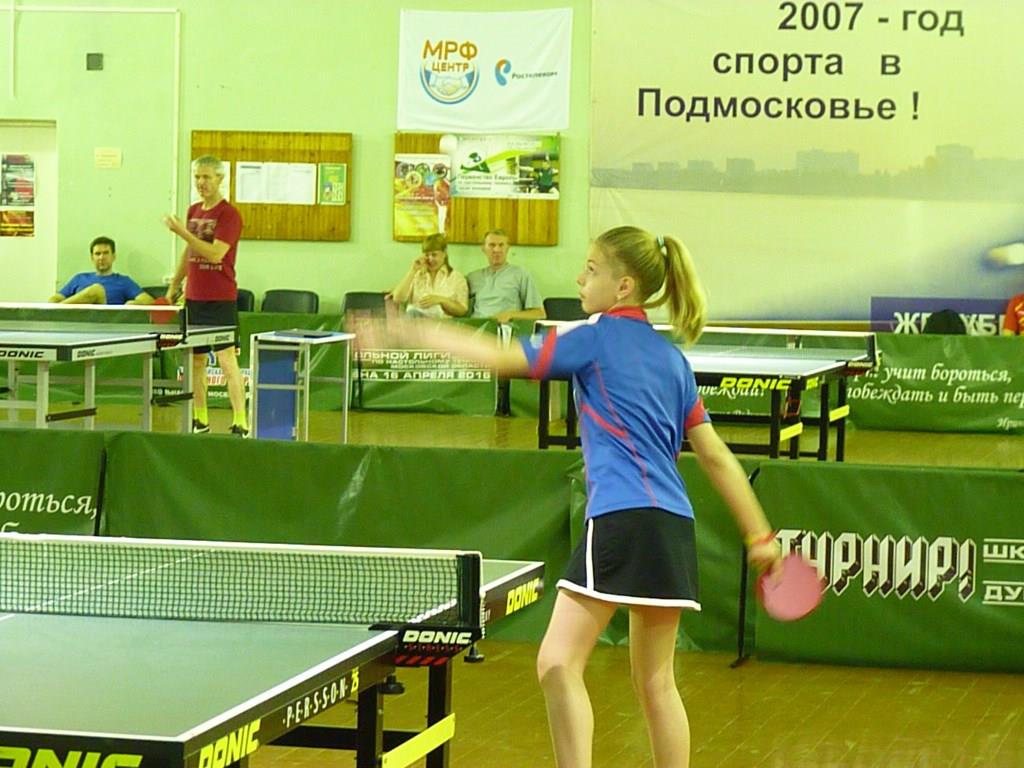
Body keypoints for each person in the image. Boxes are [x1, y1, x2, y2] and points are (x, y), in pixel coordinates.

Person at [363, 225, 781, 767]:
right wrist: (758, 533)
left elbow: (499, 358)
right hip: (673, 525)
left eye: (591, 268)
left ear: (624, 286)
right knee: (656, 683)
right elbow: (716, 455)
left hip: (620, 519)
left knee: (558, 662)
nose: (579, 278)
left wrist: (410, 332)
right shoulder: (672, 359)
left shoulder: (592, 337)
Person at [162, 155, 249, 437]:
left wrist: (182, 232)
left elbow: (215, 253)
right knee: (196, 362)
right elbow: (190, 253)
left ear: (220, 179)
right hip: (194, 299)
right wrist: (174, 285)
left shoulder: (229, 215)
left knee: (226, 361)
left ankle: (240, 420)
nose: (201, 182)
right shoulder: (194, 211)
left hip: (221, 298)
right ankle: (200, 419)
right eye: (197, 177)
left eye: (207, 177)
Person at [467, 229, 545, 324]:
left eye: (501, 245)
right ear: (483, 249)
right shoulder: (473, 277)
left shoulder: (520, 274)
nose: (497, 250)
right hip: (476, 328)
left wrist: (509, 315)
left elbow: (539, 314)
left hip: (505, 328)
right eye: (492, 245)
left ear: (507, 248)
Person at [49, 236, 154, 305]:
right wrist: (53, 302)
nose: (101, 257)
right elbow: (55, 299)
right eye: (97, 254)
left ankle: (57, 310)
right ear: (92, 257)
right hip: (77, 322)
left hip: (105, 324)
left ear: (113, 256)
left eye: (106, 253)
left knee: (96, 290)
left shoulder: (123, 281)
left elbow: (149, 301)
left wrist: (132, 304)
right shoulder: (79, 278)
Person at [390, 233, 468, 318]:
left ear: (444, 253)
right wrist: (413, 270)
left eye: (434, 255)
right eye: (427, 255)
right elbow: (397, 299)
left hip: (442, 324)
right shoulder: (417, 275)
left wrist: (441, 300)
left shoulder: (456, 277)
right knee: (412, 314)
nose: (430, 259)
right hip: (416, 320)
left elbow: (462, 310)